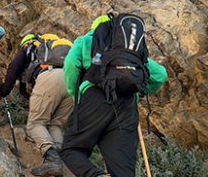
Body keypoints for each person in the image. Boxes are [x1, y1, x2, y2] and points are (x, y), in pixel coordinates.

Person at [60, 19, 168, 177]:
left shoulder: (86, 41)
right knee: (122, 170)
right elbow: (160, 75)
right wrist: (138, 91)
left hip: (95, 98)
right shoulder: (130, 52)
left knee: (71, 149)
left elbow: (70, 64)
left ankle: (96, 176)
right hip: (127, 105)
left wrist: (76, 94)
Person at [0, 34, 74, 177]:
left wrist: (4, 90)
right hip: (71, 81)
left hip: (50, 76)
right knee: (55, 124)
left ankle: (52, 159)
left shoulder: (30, 47)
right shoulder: (58, 49)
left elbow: (15, 67)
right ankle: (57, 162)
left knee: (35, 124)